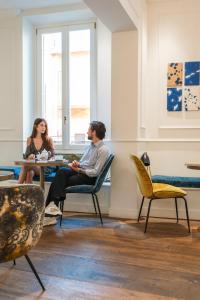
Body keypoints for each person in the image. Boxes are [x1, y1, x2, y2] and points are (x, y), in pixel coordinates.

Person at [44, 121, 110, 226]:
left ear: (94, 132)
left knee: (58, 181)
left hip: (89, 178)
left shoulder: (103, 150)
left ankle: (50, 215)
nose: (87, 132)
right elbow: (85, 163)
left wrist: (78, 170)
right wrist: (77, 164)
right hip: (81, 173)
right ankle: (51, 213)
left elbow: (95, 172)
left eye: (89, 130)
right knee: (60, 173)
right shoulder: (90, 146)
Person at [18, 118, 54, 184]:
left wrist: (44, 156)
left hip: (44, 168)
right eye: (41, 125)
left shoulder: (49, 139)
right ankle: (30, 194)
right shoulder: (30, 139)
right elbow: (26, 156)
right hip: (33, 166)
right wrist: (30, 156)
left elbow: (52, 155)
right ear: (35, 126)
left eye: (45, 126)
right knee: (29, 173)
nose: (44, 127)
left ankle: (16, 189)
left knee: (25, 165)